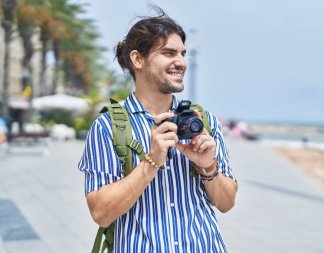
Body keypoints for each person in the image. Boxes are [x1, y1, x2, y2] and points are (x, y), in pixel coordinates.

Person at [78, 10, 238, 253]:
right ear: (138, 59)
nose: (181, 62)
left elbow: (226, 203)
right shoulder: (108, 127)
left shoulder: (204, 122)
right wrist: (151, 162)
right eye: (168, 53)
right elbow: (101, 213)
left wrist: (208, 166)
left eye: (183, 54)